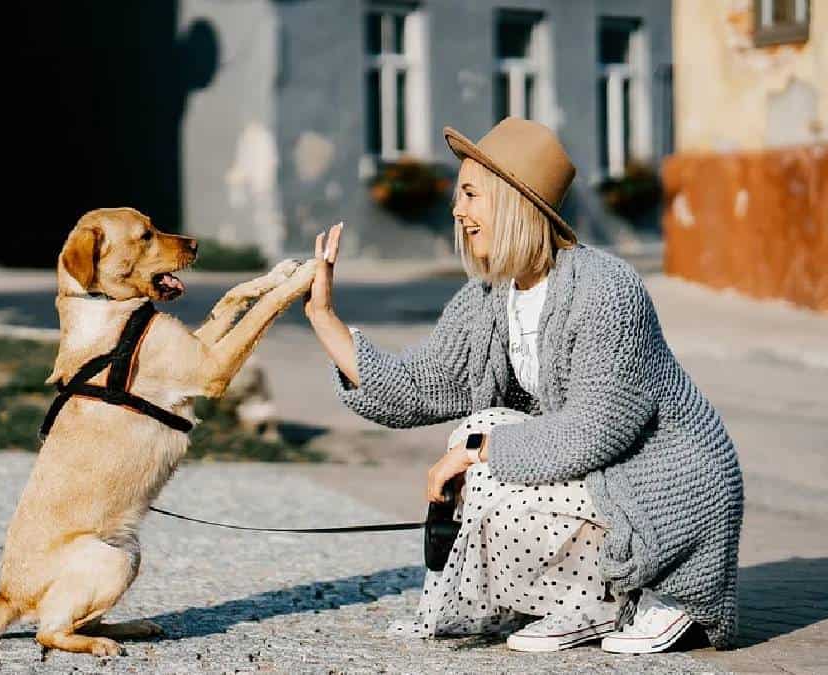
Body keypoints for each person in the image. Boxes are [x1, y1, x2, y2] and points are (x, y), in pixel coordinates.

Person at [303, 118, 743, 653]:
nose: (457, 210)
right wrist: (325, 318)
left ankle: (652, 595)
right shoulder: (490, 297)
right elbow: (417, 386)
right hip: (601, 476)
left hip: (666, 489)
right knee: (480, 432)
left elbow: (594, 431)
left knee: (482, 450)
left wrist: (476, 452)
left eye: (471, 194)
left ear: (515, 201)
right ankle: (582, 602)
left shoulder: (606, 289)